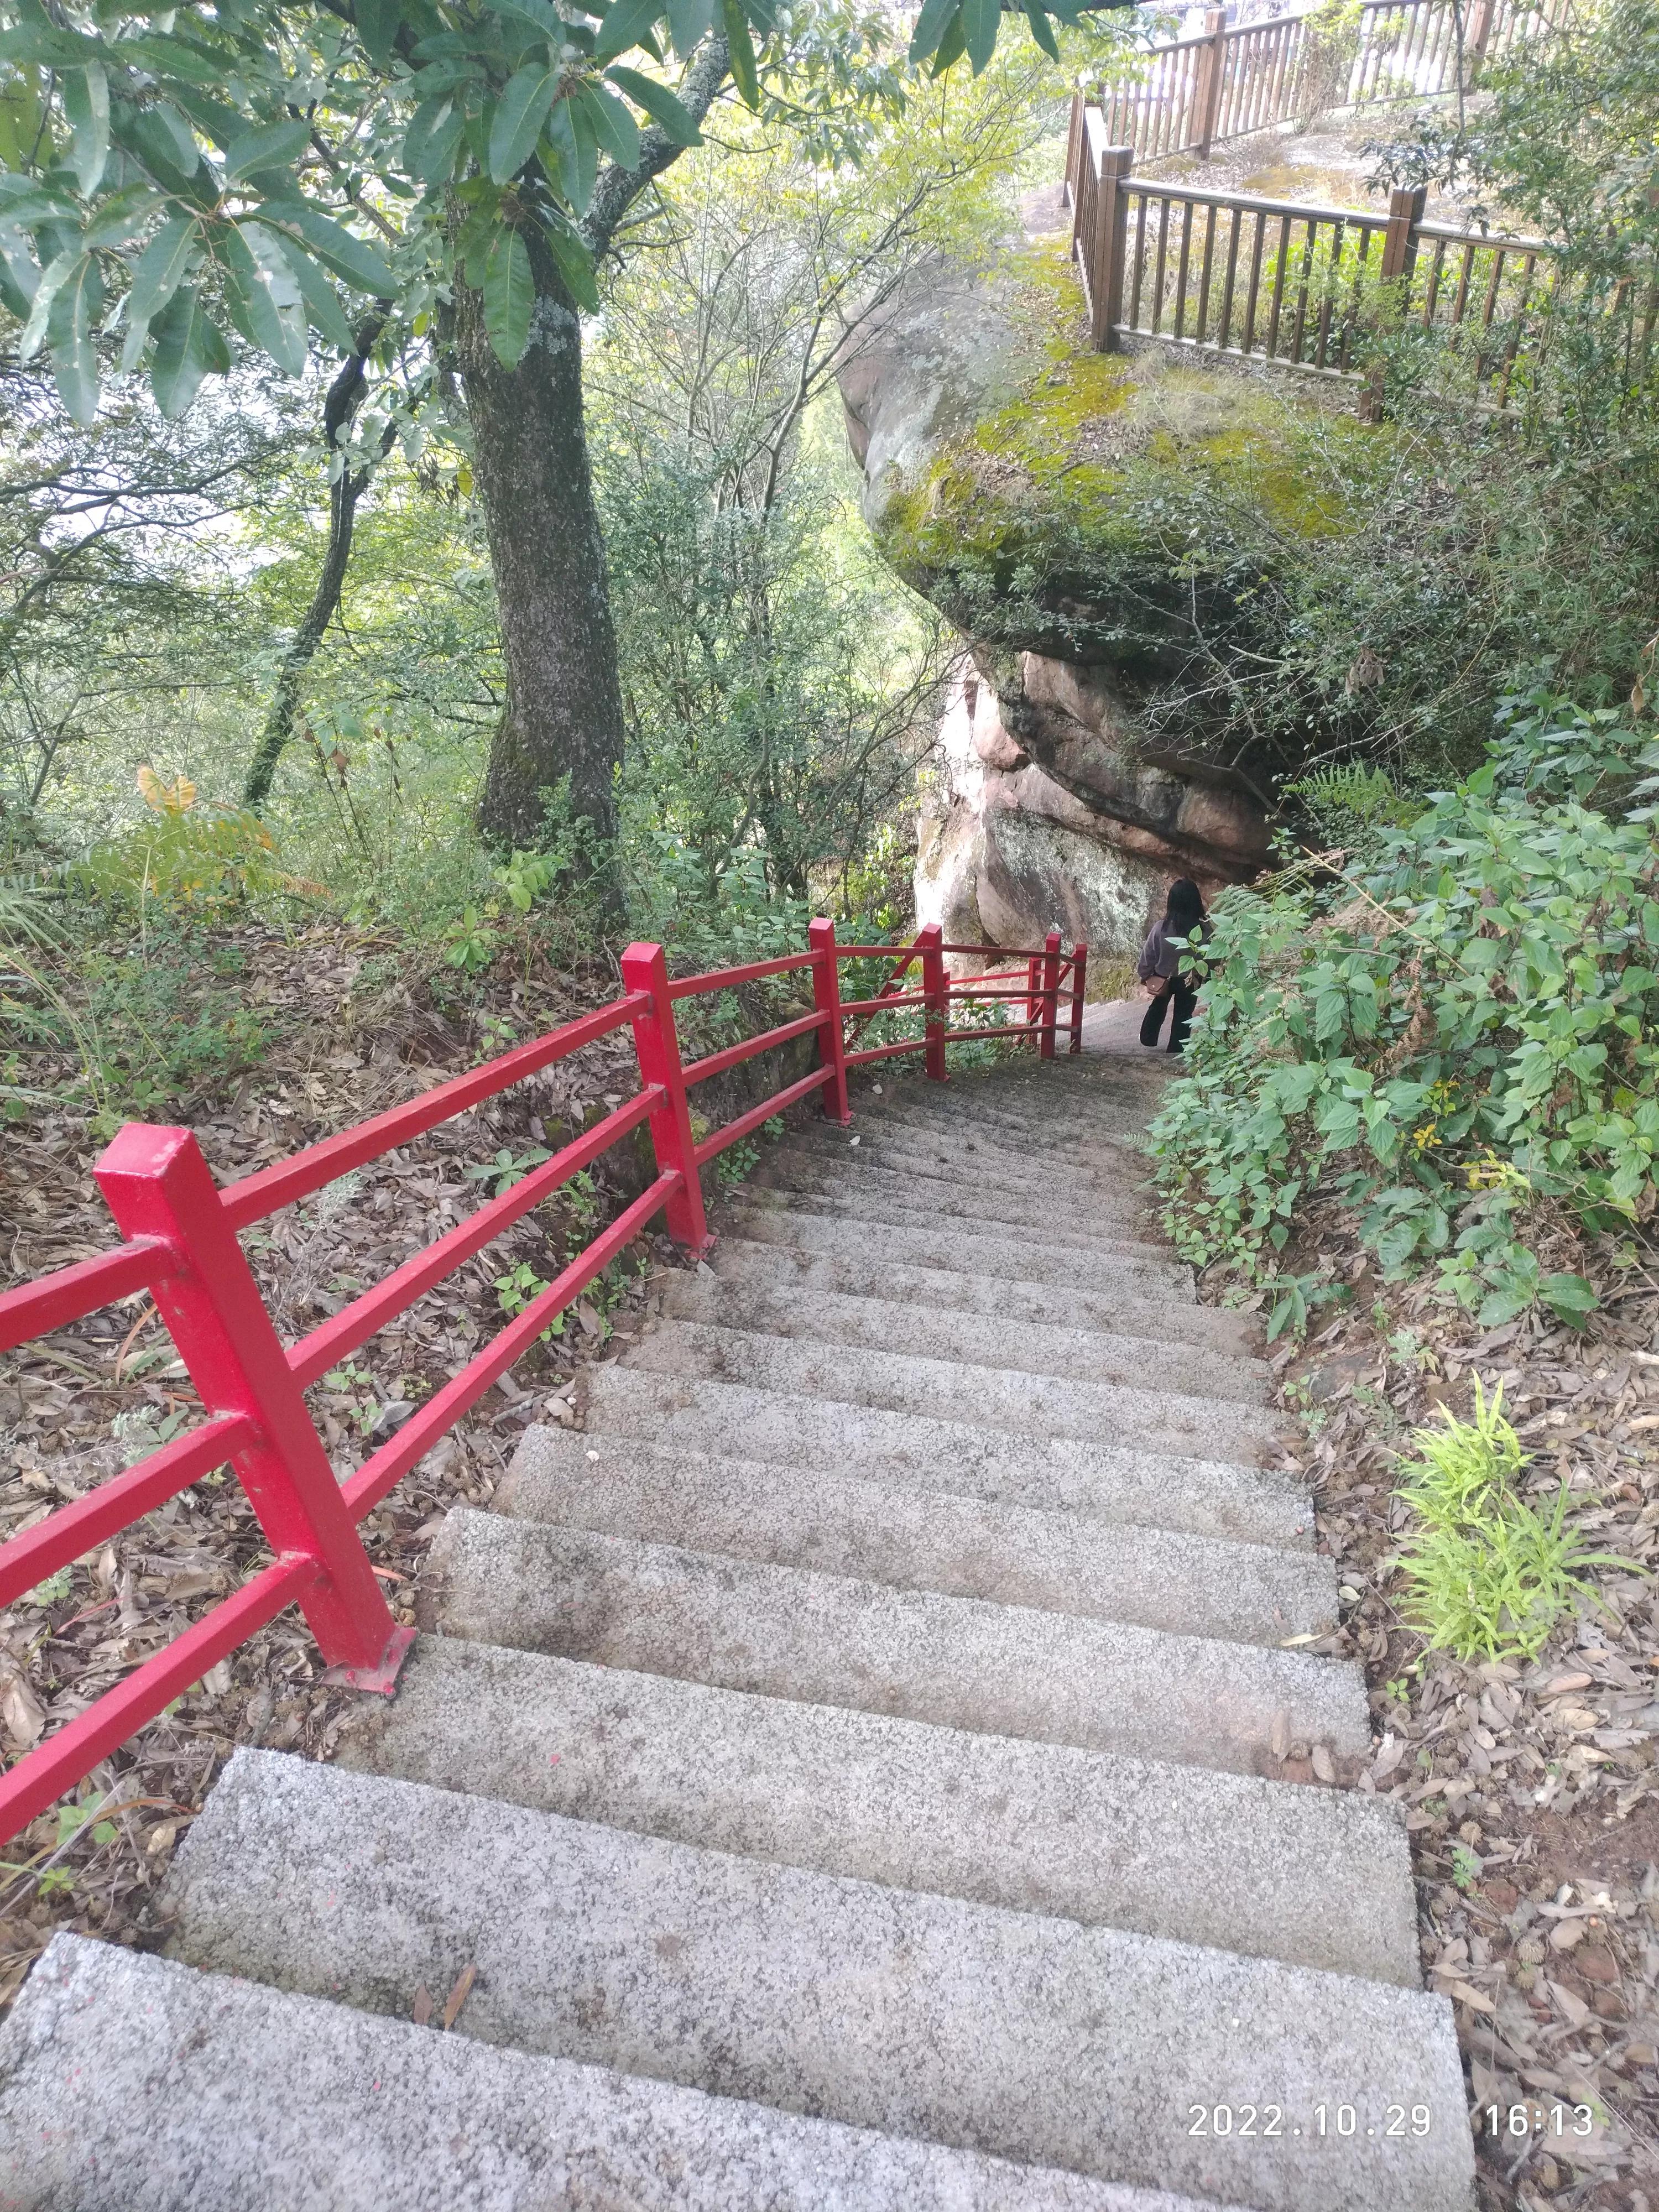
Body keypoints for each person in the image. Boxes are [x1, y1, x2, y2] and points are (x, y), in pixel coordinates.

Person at [1138, 878, 1206, 1052]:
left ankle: (1148, 1038)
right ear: (1196, 901)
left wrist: (1145, 974)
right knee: (1184, 1014)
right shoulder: (1205, 930)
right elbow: (1212, 958)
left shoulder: (1161, 928)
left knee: (1158, 1007)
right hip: (1192, 979)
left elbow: (1148, 955)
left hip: (1163, 977)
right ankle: (1176, 1048)